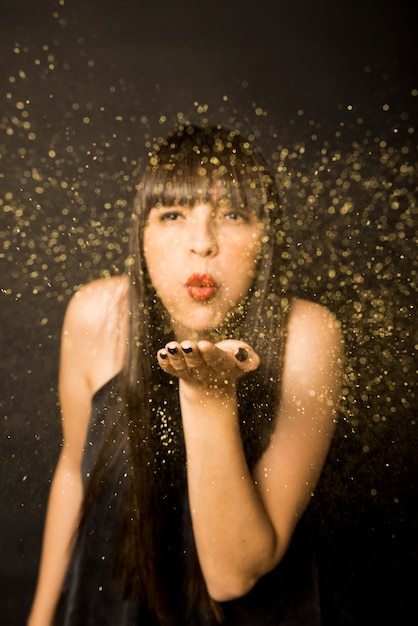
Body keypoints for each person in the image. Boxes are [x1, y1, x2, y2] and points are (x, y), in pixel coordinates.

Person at [28, 124, 343, 626]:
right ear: (142, 235)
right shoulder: (96, 314)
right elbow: (73, 473)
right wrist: (40, 619)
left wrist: (208, 397)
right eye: (173, 214)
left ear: (265, 236)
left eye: (233, 215)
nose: (202, 244)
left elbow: (231, 576)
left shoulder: (308, 335)